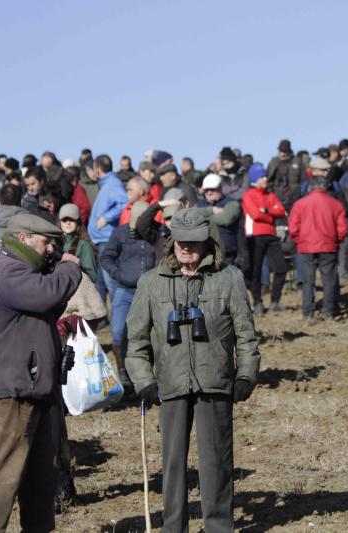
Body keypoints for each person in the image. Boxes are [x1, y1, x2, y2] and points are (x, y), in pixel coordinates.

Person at [126, 208, 260, 532]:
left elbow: (246, 334)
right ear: (171, 242)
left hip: (215, 382)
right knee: (172, 465)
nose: (186, 248)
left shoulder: (229, 278)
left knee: (216, 462)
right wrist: (144, 381)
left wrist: (246, 375)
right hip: (170, 383)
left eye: (194, 242)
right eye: (180, 242)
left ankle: (218, 527)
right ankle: (174, 528)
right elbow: (136, 340)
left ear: (208, 243)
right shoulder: (151, 283)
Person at [0, 214, 81, 532]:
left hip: (33, 388)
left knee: (40, 479)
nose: (50, 250)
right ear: (22, 238)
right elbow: (47, 293)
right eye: (45, 242)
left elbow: (46, 303)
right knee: (0, 478)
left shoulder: (24, 271)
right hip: (11, 392)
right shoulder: (6, 269)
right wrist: (70, 267)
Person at [100, 201, 155, 385]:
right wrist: (119, 274)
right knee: (117, 331)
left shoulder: (156, 233)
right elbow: (107, 257)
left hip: (149, 292)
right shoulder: (120, 233)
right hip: (125, 290)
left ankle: (147, 376)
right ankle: (123, 373)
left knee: (149, 334)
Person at [288, 174, 348, 320]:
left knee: (308, 281)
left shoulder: (300, 204)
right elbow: (342, 229)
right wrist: (335, 240)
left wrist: (300, 240)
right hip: (328, 247)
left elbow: (293, 227)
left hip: (306, 247)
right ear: (324, 187)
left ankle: (308, 313)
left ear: (310, 188)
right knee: (329, 281)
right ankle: (328, 312)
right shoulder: (335, 204)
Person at [241, 163, 287, 315]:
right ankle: (258, 302)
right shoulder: (248, 195)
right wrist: (271, 215)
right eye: (262, 176)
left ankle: (275, 301)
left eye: (265, 176)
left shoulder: (270, 194)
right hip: (255, 236)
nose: (266, 179)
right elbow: (255, 214)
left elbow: (281, 211)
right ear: (255, 179)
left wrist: (266, 211)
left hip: (271, 235)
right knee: (256, 271)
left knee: (281, 268)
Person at [87, 154, 128, 303]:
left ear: (97, 169)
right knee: (101, 283)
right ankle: (104, 320)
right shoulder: (107, 183)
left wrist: (107, 217)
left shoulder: (113, 183)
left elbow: (124, 203)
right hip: (101, 241)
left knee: (112, 283)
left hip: (107, 240)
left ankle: (119, 320)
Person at [196, 174, 243, 264]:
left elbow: (226, 219)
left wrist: (202, 217)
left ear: (221, 188)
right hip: (204, 254)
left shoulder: (232, 203)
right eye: (206, 190)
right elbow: (191, 216)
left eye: (213, 189)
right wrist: (211, 210)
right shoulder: (200, 203)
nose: (209, 193)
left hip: (226, 255)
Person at [59, 203, 97, 283]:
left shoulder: (83, 245)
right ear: (60, 222)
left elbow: (92, 276)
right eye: (65, 220)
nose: (68, 223)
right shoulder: (54, 242)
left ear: (78, 222)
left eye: (72, 219)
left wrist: (77, 266)